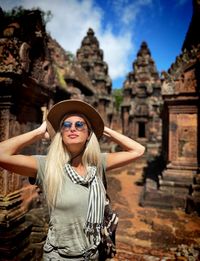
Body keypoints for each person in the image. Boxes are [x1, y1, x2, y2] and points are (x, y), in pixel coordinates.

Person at [0, 99, 145, 260]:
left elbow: (138, 150)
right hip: (60, 257)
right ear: (60, 133)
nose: (72, 129)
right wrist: (39, 132)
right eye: (66, 125)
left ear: (88, 133)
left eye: (80, 125)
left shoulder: (97, 163)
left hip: (93, 254)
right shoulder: (47, 165)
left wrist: (103, 129)